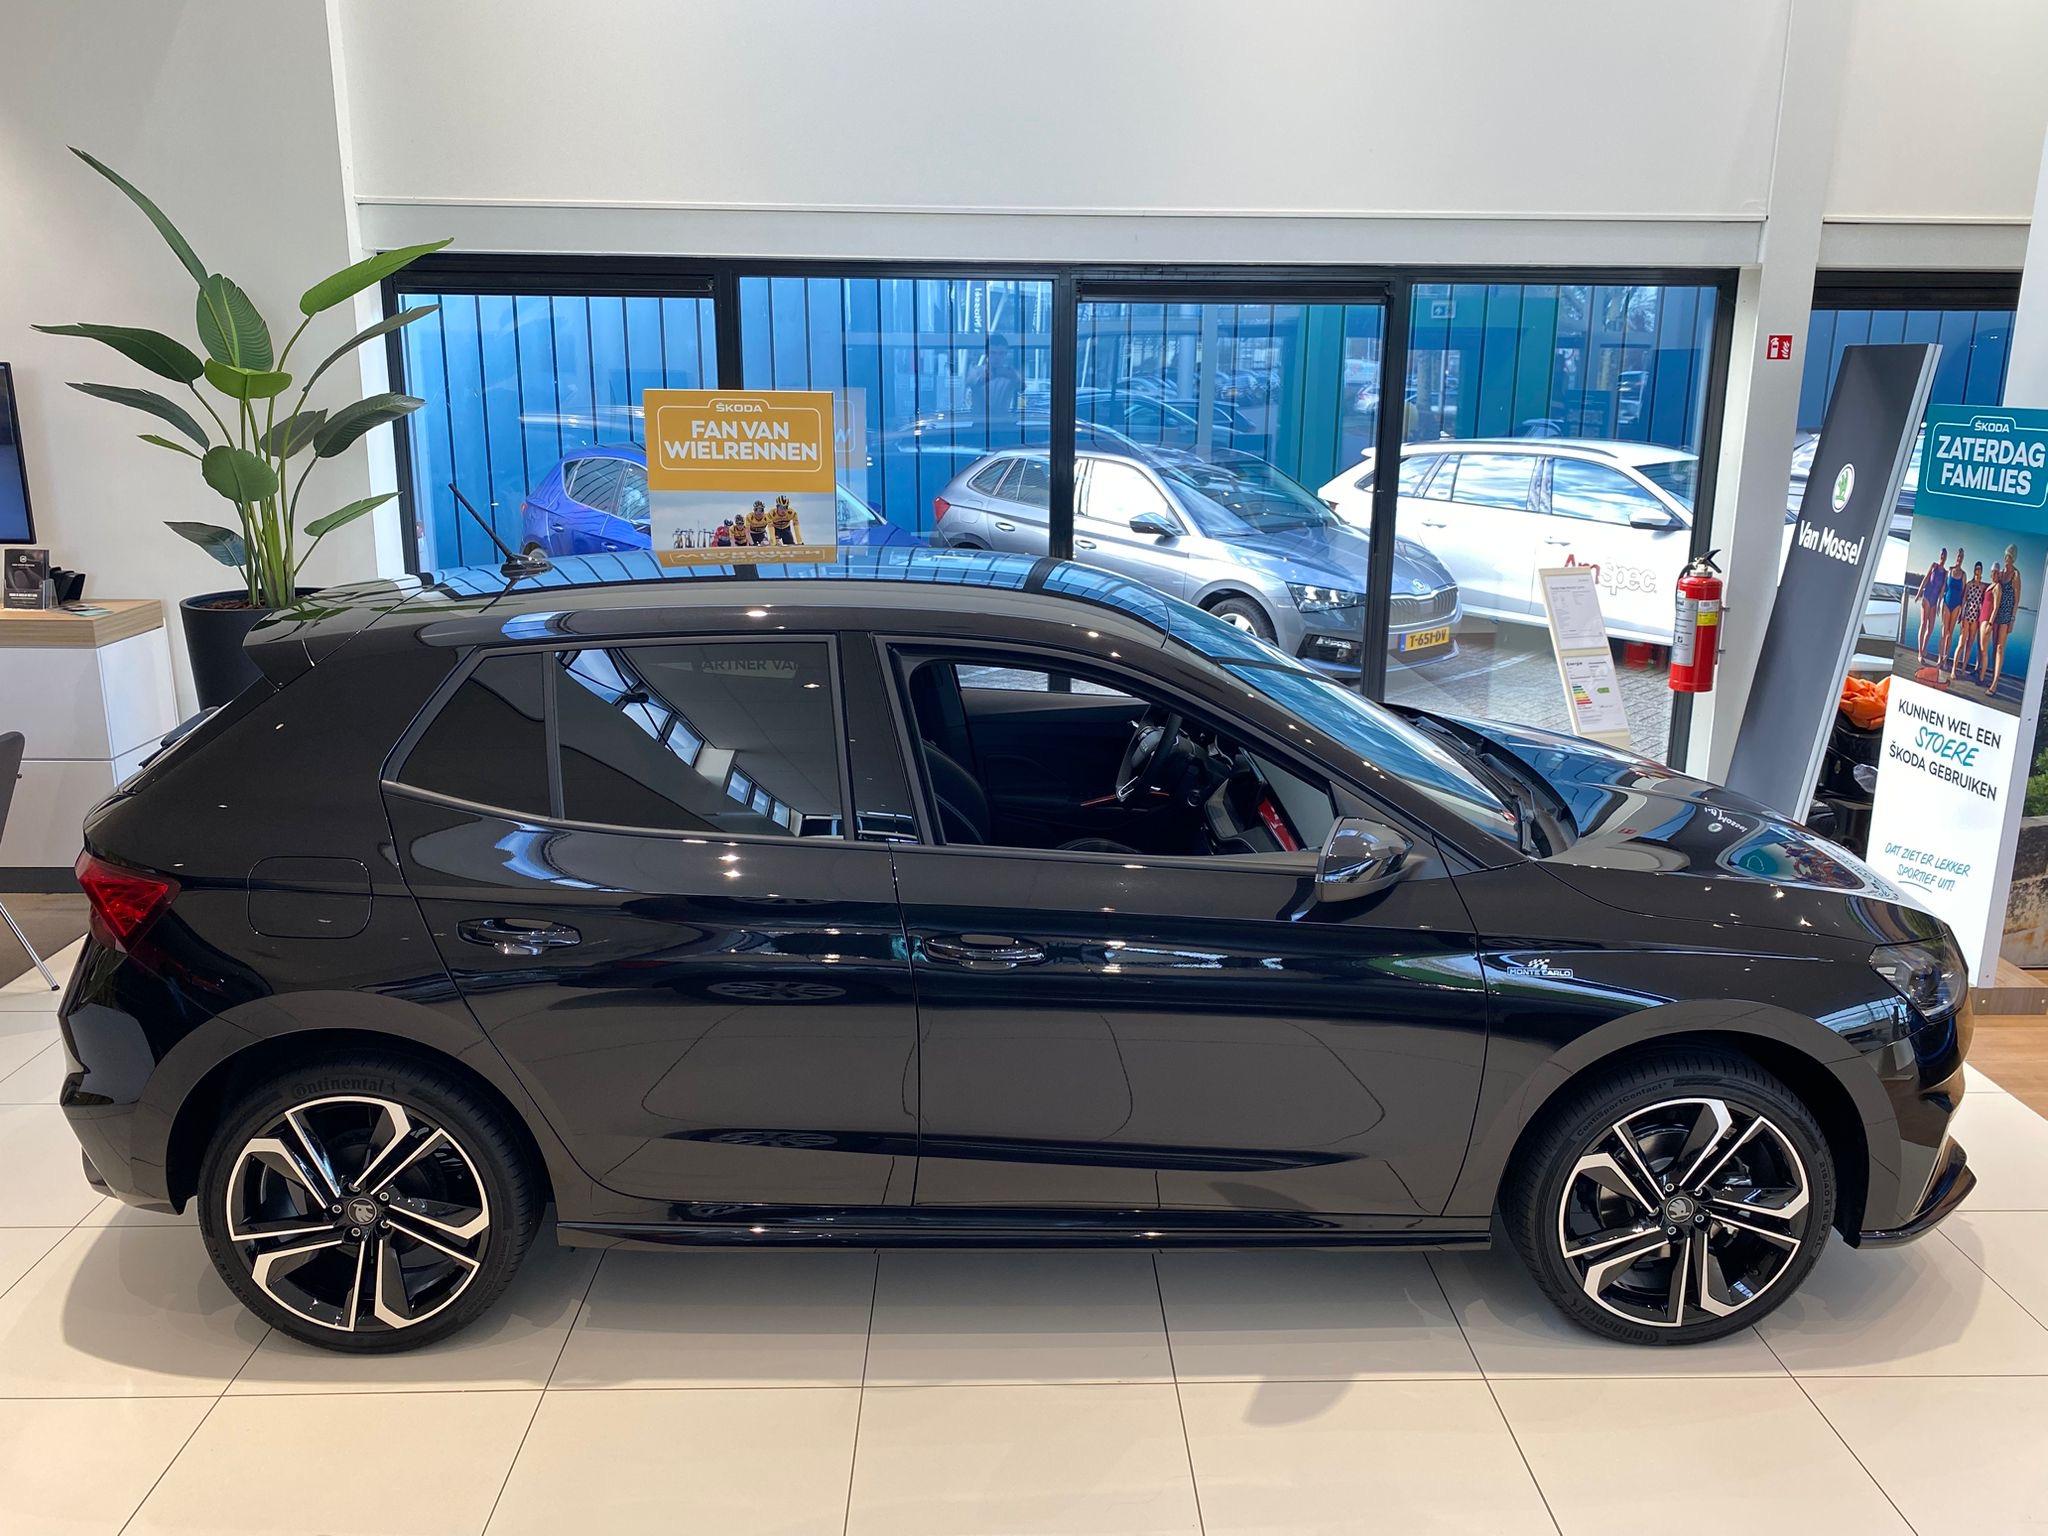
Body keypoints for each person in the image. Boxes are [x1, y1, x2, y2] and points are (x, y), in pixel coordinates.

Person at [1988, 543, 2023, 696]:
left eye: (2010, 556)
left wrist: (2012, 619)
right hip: (1996, 613)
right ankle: (1991, 677)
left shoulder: (2016, 575)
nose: (2007, 558)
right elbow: (1994, 585)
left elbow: (2016, 600)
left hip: (2006, 615)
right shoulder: (2001, 573)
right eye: (2006, 556)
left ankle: (1995, 684)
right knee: (1994, 645)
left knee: (2000, 648)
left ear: (2013, 558)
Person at [1949, 560, 1986, 683]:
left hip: (1975, 618)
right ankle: (1954, 669)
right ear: (1974, 570)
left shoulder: (1983, 586)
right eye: (1976, 568)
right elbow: (1964, 599)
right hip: (1967, 616)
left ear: (1982, 571)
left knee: (1970, 644)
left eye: (1979, 569)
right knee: (1961, 643)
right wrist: (1961, 614)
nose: (1977, 570)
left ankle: (1963, 669)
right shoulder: (1969, 584)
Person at [970, 333, 1022, 419]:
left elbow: (1022, 388)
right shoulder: (976, 371)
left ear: (1006, 354)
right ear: (986, 353)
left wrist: (1014, 378)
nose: (997, 357)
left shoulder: (1011, 373)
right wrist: (993, 375)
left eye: (1001, 353)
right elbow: (969, 383)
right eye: (993, 353)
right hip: (979, 422)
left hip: (1004, 421)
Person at [1937, 547, 1966, 681]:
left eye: (1961, 557)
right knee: (1944, 632)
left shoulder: (1963, 575)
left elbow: (1964, 593)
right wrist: (1939, 602)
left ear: (1963, 559)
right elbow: (1944, 587)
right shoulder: (1950, 570)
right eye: (1958, 556)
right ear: (1956, 557)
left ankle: (1946, 659)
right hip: (1947, 603)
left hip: (1956, 606)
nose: (1959, 559)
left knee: (1950, 633)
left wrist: (1962, 610)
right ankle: (1939, 658)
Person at [1919, 547, 1948, 663]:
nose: (1943, 557)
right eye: (1942, 554)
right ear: (1940, 555)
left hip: (1934, 601)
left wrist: (1939, 603)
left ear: (1946, 558)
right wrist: (1919, 592)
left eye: (1944, 555)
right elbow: (1926, 579)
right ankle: (1920, 653)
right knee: (1923, 624)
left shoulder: (1945, 573)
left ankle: (1923, 649)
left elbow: (1942, 590)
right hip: (1927, 597)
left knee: (1930, 629)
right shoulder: (1934, 566)